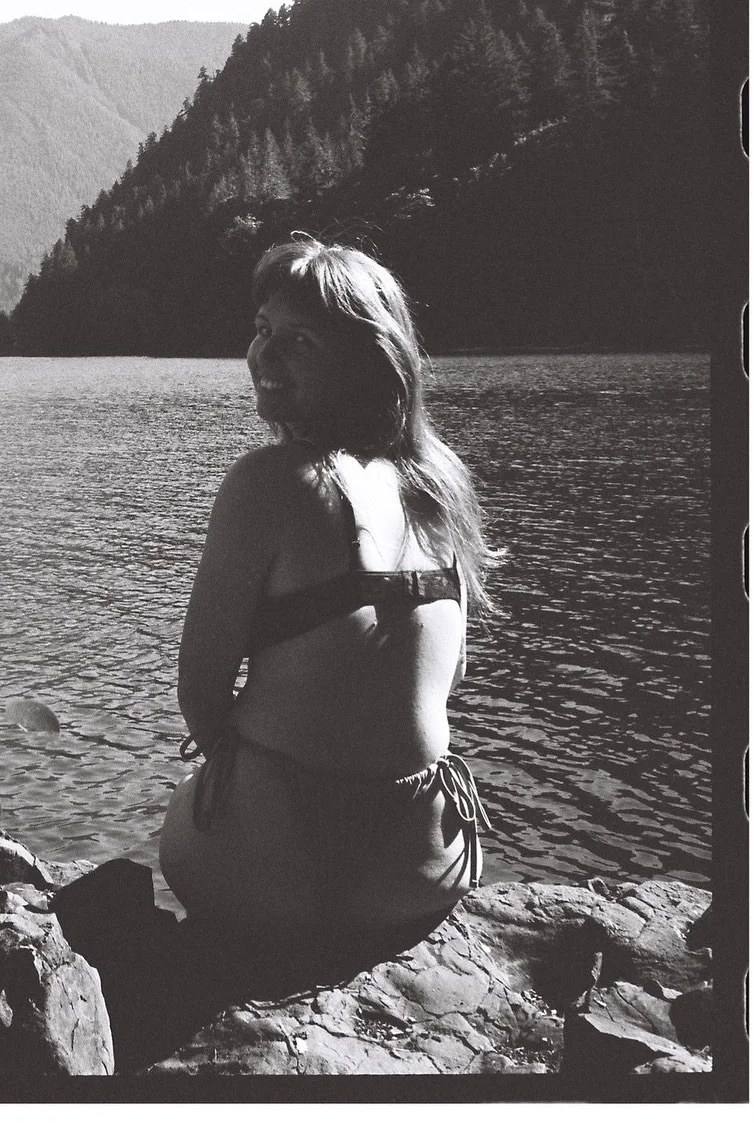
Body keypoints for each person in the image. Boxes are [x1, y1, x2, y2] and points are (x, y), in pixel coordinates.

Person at [158, 236, 502, 969]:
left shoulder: (269, 484)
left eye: (298, 340)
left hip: (275, 884)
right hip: (422, 874)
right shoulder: (442, 487)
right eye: (261, 330)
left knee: (183, 804)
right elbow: (449, 680)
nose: (263, 357)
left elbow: (200, 695)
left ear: (366, 360)